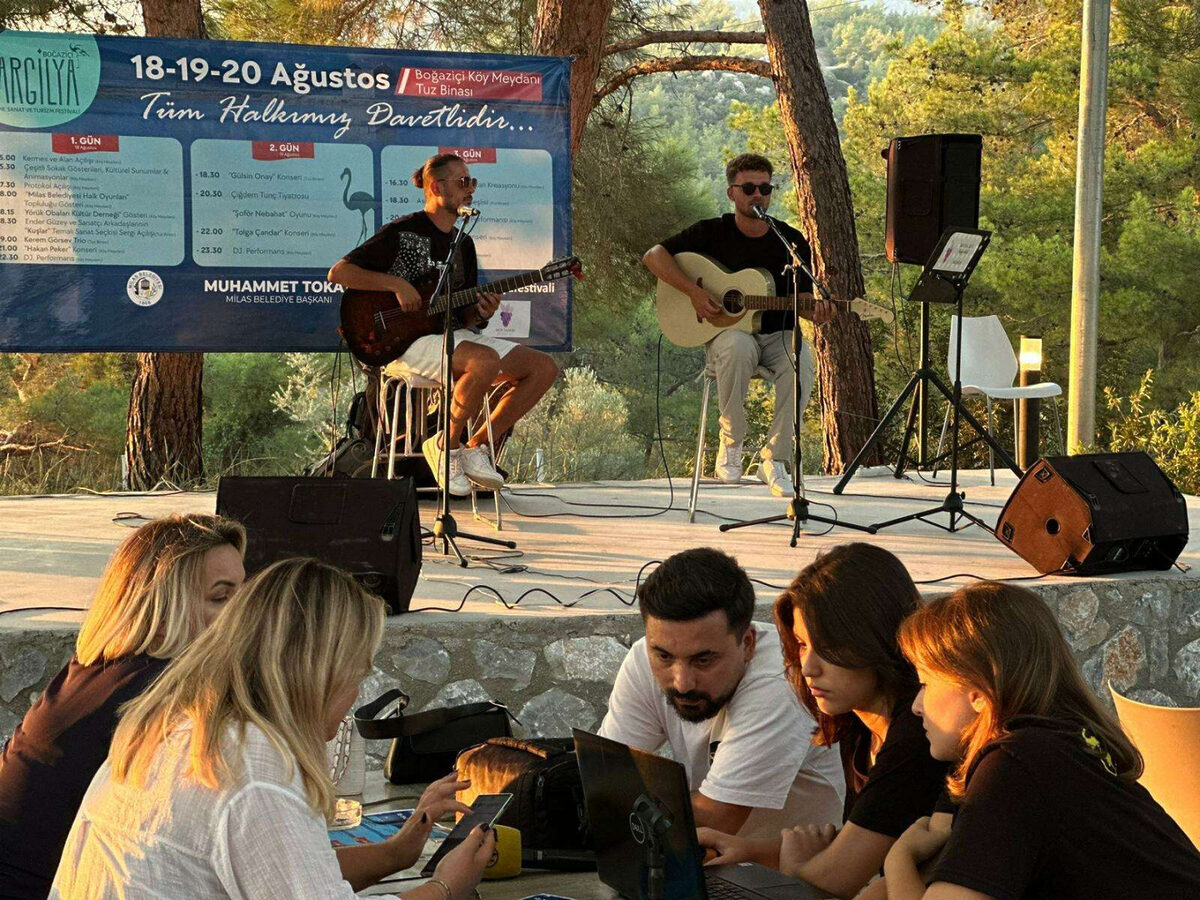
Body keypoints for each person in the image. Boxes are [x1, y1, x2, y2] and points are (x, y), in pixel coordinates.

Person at [51, 557, 494, 899]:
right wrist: (446, 887)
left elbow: (287, 871)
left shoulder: (185, 725)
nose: (356, 693)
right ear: (318, 672)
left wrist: (398, 852)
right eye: (356, 673)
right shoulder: (256, 767)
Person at [885, 581, 1200, 899]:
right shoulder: (1058, 744)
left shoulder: (1016, 765)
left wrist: (899, 861)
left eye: (926, 683)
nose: (916, 705)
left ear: (978, 693)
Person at [0, 513, 247, 899]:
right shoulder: (162, 694)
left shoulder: (95, 668)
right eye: (221, 597)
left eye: (243, 595)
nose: (244, 614)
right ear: (162, 610)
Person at [698, 544, 952, 899]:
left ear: (875, 638)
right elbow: (854, 843)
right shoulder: (860, 723)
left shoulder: (915, 733)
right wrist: (744, 851)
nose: (808, 667)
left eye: (828, 647)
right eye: (802, 644)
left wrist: (795, 867)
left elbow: (834, 879)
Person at [329, 152, 558, 497]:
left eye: (473, 182)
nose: (471, 189)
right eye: (463, 182)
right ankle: (445, 445)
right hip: (403, 342)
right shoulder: (402, 232)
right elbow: (339, 273)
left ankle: (475, 447)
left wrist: (482, 311)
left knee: (543, 368)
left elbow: (464, 314)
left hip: (448, 334)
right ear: (437, 187)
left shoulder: (463, 243)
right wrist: (397, 285)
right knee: (483, 360)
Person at [598, 547, 845, 840]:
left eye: (703, 660)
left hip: (792, 880)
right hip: (705, 868)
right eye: (664, 656)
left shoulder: (781, 682)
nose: (682, 683)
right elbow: (604, 776)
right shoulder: (643, 658)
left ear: (748, 644)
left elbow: (714, 819)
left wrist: (618, 801)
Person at [642, 153, 835, 496]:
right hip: (728, 334)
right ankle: (731, 446)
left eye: (764, 188)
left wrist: (816, 311)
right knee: (736, 345)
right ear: (732, 193)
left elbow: (804, 301)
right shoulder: (710, 233)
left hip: (779, 335)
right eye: (749, 188)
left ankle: (774, 458)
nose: (758, 195)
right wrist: (694, 293)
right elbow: (653, 256)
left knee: (802, 364)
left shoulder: (790, 241)